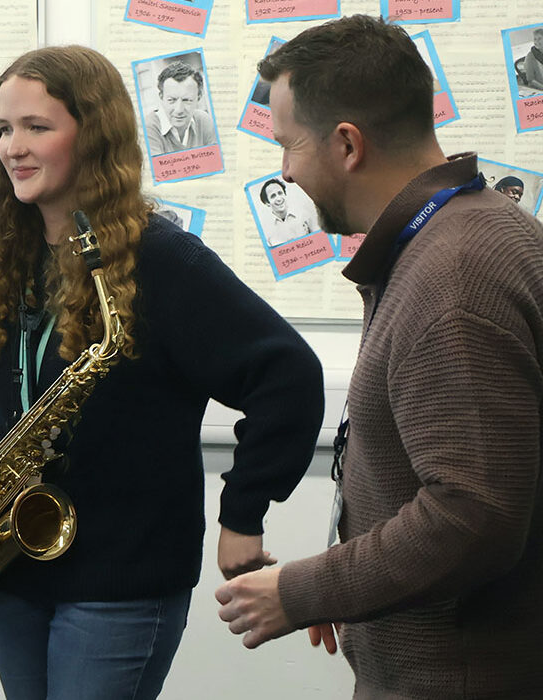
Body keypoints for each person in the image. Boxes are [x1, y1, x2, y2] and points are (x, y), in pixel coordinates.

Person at [0, 45, 324, 699]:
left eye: (38, 127)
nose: (14, 146)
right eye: (5, 129)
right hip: (12, 564)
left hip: (123, 575)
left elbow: (287, 377)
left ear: (94, 135)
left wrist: (244, 511)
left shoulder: (162, 260)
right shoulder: (2, 254)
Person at [214, 15, 543, 698]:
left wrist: (305, 589)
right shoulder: (467, 234)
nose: (284, 172)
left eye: (286, 145)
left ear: (346, 144)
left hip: (457, 676)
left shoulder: (451, 276)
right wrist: (353, 584)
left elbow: (471, 516)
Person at [144, 61, 216, 156]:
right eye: (171, 100)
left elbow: (216, 163)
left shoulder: (204, 120)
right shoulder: (149, 127)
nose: (179, 110)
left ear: (198, 98)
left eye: (187, 100)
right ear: (161, 97)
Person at [258, 178, 316, 246]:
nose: (279, 198)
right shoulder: (266, 231)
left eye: (280, 193)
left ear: (285, 194)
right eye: (273, 196)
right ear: (267, 203)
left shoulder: (303, 215)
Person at [523, 27, 543, 93]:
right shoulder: (530, 56)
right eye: (535, 39)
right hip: (539, 88)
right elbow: (531, 80)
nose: (536, 41)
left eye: (539, 38)